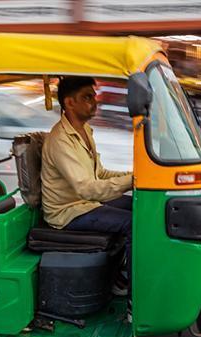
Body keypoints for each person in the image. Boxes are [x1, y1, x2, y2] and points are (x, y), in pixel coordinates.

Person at [41, 77, 133, 294]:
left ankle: (119, 272)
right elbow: (87, 188)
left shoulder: (85, 130)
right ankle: (129, 284)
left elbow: (98, 173)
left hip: (86, 202)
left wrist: (135, 176)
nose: (95, 102)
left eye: (94, 96)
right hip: (68, 211)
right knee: (133, 222)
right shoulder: (60, 140)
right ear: (70, 103)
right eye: (87, 97)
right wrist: (130, 181)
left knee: (139, 206)